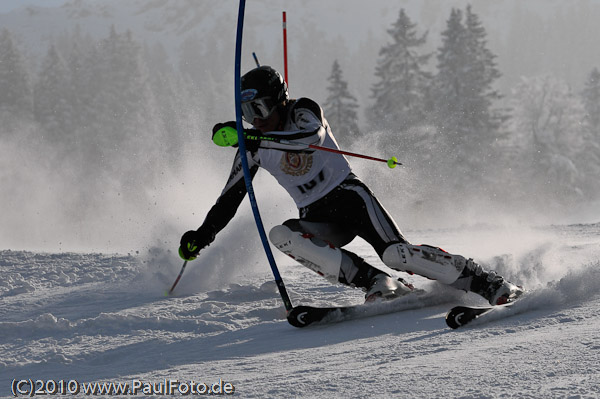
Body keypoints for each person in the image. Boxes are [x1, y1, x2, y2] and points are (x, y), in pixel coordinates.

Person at [179, 65, 523, 305]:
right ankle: (377, 283)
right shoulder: (253, 145)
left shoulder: (302, 111)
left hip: (350, 197)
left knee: (396, 254)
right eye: (246, 111)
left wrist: (253, 136)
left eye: (260, 107)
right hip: (319, 215)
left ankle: (484, 281)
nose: (255, 117)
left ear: (280, 99)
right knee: (282, 235)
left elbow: (307, 138)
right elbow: (229, 200)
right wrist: (201, 236)